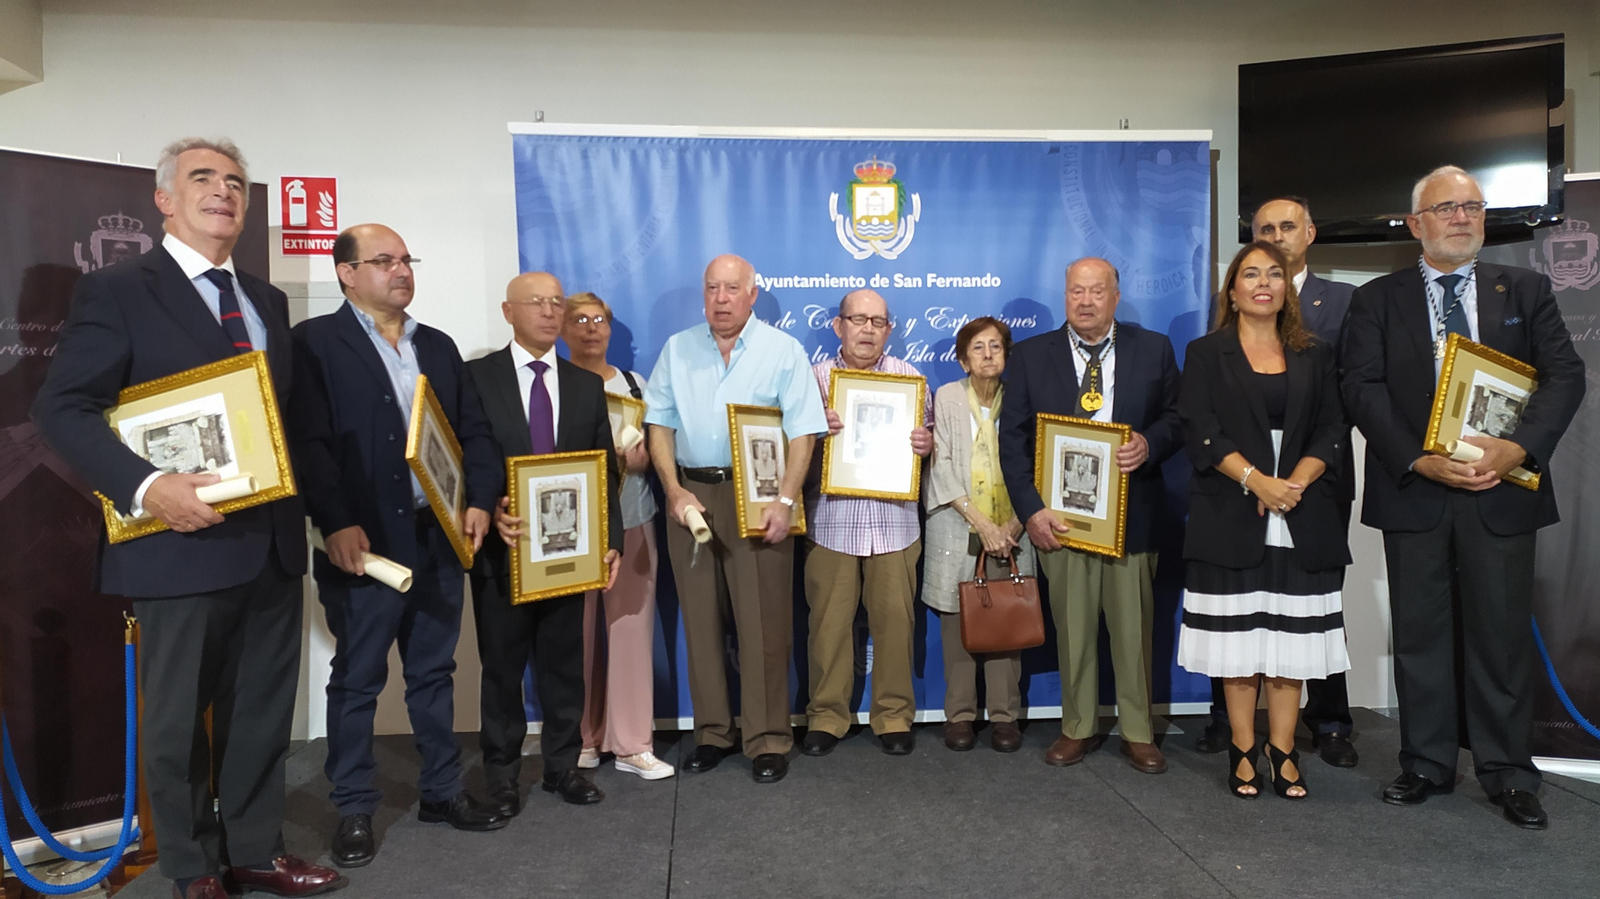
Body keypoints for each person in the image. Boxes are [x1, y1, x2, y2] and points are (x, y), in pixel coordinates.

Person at [32, 137, 345, 899]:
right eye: (203, 178)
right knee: (176, 725)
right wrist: (147, 485)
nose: (224, 191)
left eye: (236, 181)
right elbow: (62, 408)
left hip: (269, 544)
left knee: (261, 714)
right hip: (175, 542)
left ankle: (253, 851)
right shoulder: (117, 289)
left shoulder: (266, 299)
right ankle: (192, 865)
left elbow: (292, 426)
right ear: (165, 199)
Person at [1342, 166, 1585, 829]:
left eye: (1473, 206)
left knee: (1501, 635)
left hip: (1500, 489)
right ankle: (1424, 761)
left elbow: (1564, 375)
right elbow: (1361, 388)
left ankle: (1508, 772)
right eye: (1447, 207)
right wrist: (1419, 458)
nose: (1462, 217)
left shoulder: (1526, 289)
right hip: (1415, 489)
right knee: (1420, 635)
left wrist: (1519, 449)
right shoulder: (1377, 299)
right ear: (1416, 223)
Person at [290, 224, 505, 868]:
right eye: (383, 260)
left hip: (435, 535)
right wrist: (334, 522)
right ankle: (354, 805)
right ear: (346, 273)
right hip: (363, 542)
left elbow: (476, 434)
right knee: (358, 678)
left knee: (434, 672)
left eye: (406, 259)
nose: (401, 270)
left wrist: (475, 498)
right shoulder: (314, 345)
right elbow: (308, 443)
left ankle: (441, 790)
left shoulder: (436, 346)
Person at [1176, 241, 1352, 800]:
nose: (1263, 282)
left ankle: (1284, 749)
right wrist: (1257, 481)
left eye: (1274, 274)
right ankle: (1243, 749)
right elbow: (1199, 429)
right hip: (1232, 509)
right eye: (1250, 274)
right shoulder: (1206, 352)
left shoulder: (1316, 353)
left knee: (1289, 642)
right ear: (1232, 290)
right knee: (1239, 644)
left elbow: (1332, 428)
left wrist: (1290, 486)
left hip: (1302, 512)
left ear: (1286, 288)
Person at [643, 254, 828, 784]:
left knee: (765, 625)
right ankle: (713, 733)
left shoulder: (782, 350)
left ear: (752, 294)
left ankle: (767, 738)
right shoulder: (678, 349)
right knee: (701, 624)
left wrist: (786, 500)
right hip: (692, 496)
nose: (720, 299)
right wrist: (674, 490)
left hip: (762, 497)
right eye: (712, 289)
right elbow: (659, 423)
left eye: (731, 289)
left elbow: (804, 433)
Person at [998, 257, 1183, 774]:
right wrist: (1031, 511)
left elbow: (1178, 418)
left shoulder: (1154, 349)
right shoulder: (1033, 356)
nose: (1085, 300)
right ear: (1065, 296)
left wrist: (1150, 443)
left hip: (1133, 518)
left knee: (1134, 631)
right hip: (1061, 521)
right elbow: (1011, 443)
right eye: (1076, 291)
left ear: (1115, 296)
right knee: (1073, 630)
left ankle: (1139, 732)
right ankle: (1077, 726)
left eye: (1096, 291)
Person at [467, 274, 623, 813]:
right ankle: (503, 776)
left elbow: (604, 471)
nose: (551, 312)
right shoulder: (475, 378)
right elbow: (463, 458)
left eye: (558, 302)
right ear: (508, 311)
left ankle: (563, 767)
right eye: (538, 303)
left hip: (569, 552)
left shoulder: (584, 385)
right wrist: (485, 508)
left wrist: (612, 541)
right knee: (502, 669)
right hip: (502, 551)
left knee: (564, 667)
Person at [801, 289, 933, 757]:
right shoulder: (813, 380)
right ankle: (826, 716)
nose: (868, 329)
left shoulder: (910, 379)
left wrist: (925, 445)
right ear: (838, 326)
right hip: (830, 522)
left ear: (889, 330)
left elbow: (930, 447)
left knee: (896, 625)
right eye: (858, 319)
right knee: (829, 626)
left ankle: (893, 715)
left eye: (878, 321)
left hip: (895, 524)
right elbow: (786, 450)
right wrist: (817, 436)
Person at [561, 290, 673, 780]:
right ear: (563, 328)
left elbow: (655, 444)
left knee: (629, 630)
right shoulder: (553, 385)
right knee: (575, 635)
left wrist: (643, 460)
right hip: (571, 529)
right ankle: (581, 738)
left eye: (599, 318)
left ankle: (631, 743)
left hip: (631, 517)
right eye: (579, 319)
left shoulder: (634, 384)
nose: (590, 327)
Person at [923, 316, 1033, 752]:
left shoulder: (1021, 398)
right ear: (963, 359)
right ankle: (961, 716)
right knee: (959, 622)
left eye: (996, 347)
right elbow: (942, 464)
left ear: (1007, 355)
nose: (988, 355)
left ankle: (1005, 717)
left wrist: (1012, 525)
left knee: (1009, 620)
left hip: (1014, 528)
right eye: (978, 348)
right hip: (958, 524)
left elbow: (1037, 462)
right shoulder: (947, 397)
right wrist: (984, 526)